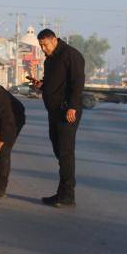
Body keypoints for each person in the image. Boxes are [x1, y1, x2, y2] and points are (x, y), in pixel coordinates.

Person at [29, 29, 85, 207]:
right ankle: (62, 192)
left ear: (54, 40)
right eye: (41, 46)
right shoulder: (50, 60)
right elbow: (53, 83)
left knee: (66, 152)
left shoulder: (71, 55)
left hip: (67, 111)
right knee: (58, 151)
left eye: (45, 45)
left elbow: (78, 83)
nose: (43, 49)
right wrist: (41, 84)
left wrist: (73, 107)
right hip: (53, 111)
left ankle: (68, 195)